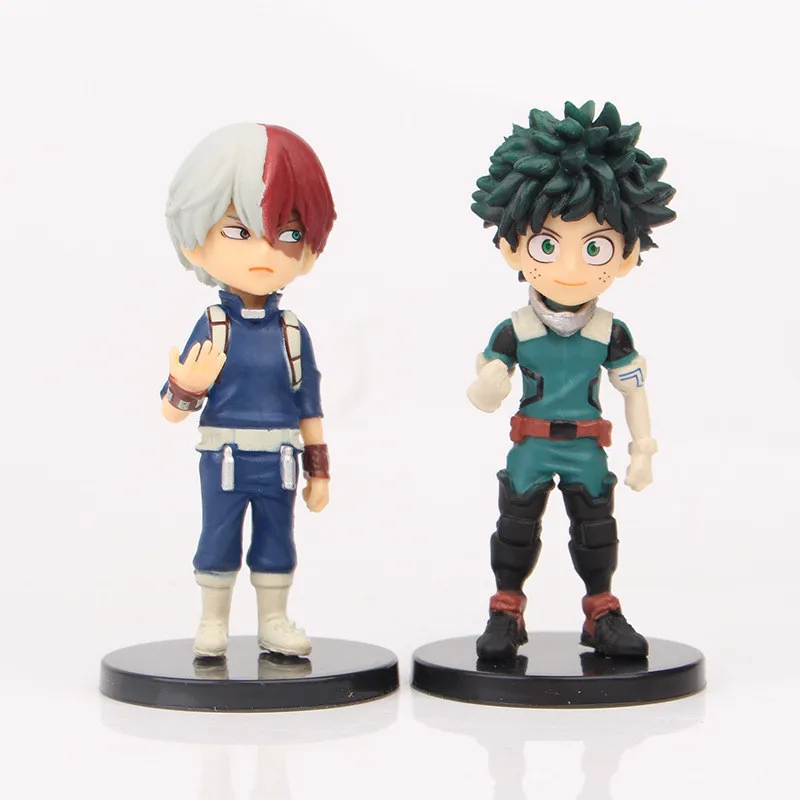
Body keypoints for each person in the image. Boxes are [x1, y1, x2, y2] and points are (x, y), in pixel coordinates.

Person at [468, 101, 676, 660]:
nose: (569, 268)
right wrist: (488, 384)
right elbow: (484, 390)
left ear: (626, 255)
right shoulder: (516, 329)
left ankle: (601, 611)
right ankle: (506, 608)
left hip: (586, 447)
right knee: (516, 528)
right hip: (532, 445)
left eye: (595, 248)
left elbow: (634, 390)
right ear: (512, 246)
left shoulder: (610, 331)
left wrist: (643, 449)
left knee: (595, 530)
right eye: (547, 245)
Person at [163, 123, 336, 659]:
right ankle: (212, 620)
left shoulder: (292, 332)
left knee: (276, 539)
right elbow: (171, 409)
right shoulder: (214, 325)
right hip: (225, 456)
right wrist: (187, 387)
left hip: (280, 457)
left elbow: (308, 404)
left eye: (287, 233)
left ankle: (274, 620)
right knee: (218, 534)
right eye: (239, 231)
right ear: (196, 242)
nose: (265, 249)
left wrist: (320, 469)